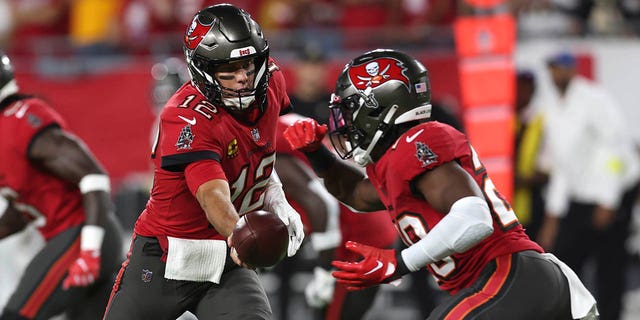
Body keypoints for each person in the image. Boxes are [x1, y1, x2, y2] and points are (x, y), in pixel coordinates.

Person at [284, 49, 598, 319]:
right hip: (508, 284)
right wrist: (316, 155)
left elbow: (475, 217)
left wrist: (400, 262)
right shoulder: (394, 158)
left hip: (509, 276)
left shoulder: (418, 142)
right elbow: (354, 194)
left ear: (381, 106)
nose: (347, 122)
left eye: (352, 110)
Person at [103, 4, 304, 319]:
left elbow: (258, 149)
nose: (243, 79)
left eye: (249, 66)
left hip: (224, 261)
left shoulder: (272, 82)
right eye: (229, 70)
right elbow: (212, 196)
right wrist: (240, 234)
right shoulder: (186, 116)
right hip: (166, 259)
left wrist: (274, 192)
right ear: (203, 70)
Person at [0, 50, 124, 319]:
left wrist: (89, 250)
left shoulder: (19, 119)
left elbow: (93, 177)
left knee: (17, 315)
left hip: (82, 235)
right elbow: (25, 206)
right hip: (78, 237)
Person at [536, 51, 640, 320]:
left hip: (613, 190)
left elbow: (616, 149)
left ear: (572, 70)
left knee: (610, 262)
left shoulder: (594, 99)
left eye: (560, 68)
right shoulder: (552, 107)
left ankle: (612, 315)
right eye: (552, 69)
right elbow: (561, 166)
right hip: (580, 194)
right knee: (568, 257)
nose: (556, 74)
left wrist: (608, 200)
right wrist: (553, 217)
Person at [274, 113, 398, 320]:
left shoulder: (271, 146)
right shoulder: (285, 123)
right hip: (369, 222)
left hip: (358, 239)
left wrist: (324, 274)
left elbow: (322, 205)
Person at [513, 69, 548, 240]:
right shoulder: (504, 120)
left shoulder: (541, 121)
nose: (520, 93)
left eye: (525, 89)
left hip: (531, 200)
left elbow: (548, 167)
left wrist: (523, 180)